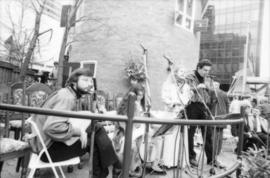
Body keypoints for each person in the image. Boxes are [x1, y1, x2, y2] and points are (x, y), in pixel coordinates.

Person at [31, 68, 120, 178]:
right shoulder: (67, 97)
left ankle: (115, 167)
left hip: (45, 143)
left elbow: (61, 116)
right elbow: (51, 127)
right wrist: (79, 131)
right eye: (85, 80)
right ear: (74, 83)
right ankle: (115, 167)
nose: (90, 84)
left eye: (90, 81)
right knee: (94, 141)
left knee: (96, 128)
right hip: (48, 150)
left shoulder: (66, 93)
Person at [185, 59, 222, 168]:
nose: (207, 72)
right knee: (190, 133)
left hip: (204, 106)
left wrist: (211, 91)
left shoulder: (208, 79)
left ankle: (211, 159)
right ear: (198, 68)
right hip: (192, 106)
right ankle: (191, 157)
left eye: (208, 70)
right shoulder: (190, 76)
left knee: (208, 133)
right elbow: (185, 90)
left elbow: (209, 91)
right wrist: (196, 87)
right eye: (205, 70)